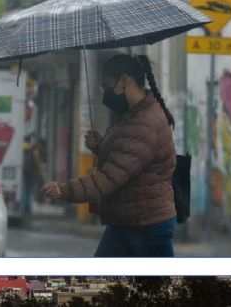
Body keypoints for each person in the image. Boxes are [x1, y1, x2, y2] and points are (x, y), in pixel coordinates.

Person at [42, 54, 178, 257]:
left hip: (146, 225)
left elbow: (109, 178)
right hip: (129, 220)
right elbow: (128, 157)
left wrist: (63, 190)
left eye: (106, 86)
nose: (105, 93)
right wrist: (102, 146)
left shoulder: (143, 123)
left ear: (124, 81)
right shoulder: (135, 115)